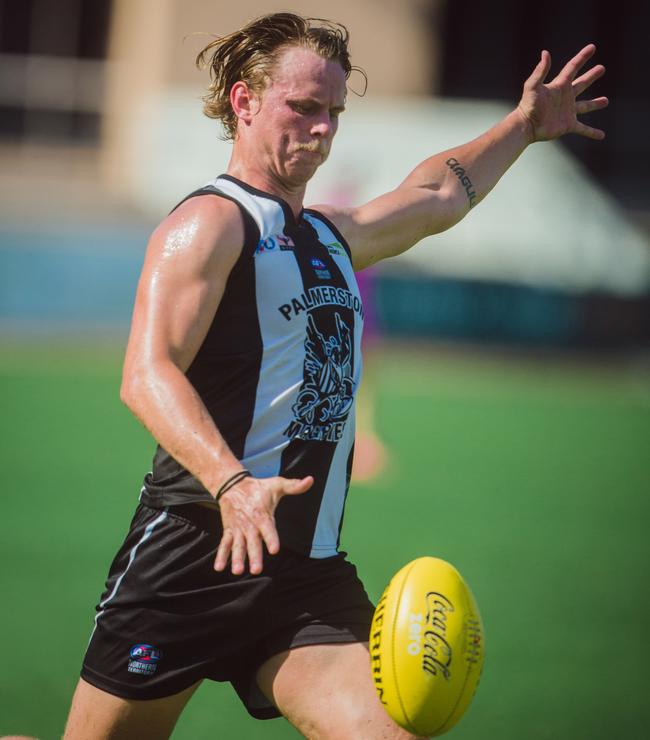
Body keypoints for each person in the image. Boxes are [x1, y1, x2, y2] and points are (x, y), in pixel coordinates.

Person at [63, 12, 607, 739]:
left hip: (305, 573)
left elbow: (438, 197)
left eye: (334, 113)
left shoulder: (328, 236)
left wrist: (523, 125)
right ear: (243, 101)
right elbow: (145, 372)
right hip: (193, 555)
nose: (322, 129)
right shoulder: (209, 224)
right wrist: (232, 484)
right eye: (304, 108)